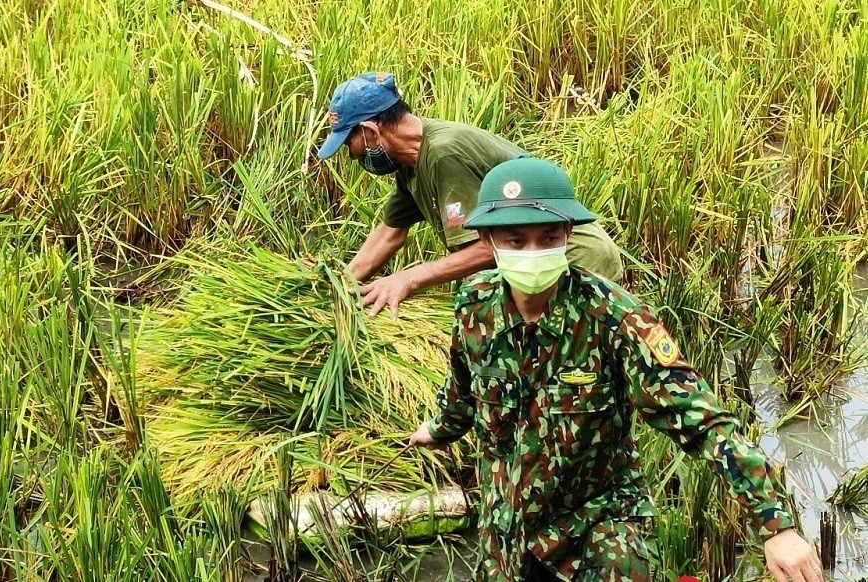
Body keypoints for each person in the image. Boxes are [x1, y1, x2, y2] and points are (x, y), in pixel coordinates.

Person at [407, 157, 822, 581]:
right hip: (506, 524)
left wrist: (776, 525)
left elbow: (700, 416)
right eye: (516, 241)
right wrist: (440, 428)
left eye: (548, 238)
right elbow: (462, 381)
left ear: (567, 234)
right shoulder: (474, 304)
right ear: (488, 239)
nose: (533, 253)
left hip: (598, 521)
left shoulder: (612, 317)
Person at [317, 72, 622, 319]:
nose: (352, 155)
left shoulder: (443, 152)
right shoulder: (410, 162)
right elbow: (389, 234)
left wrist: (406, 279)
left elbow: (489, 247)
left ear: (371, 130)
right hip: (524, 264)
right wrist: (342, 282)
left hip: (565, 256)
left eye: (348, 144)